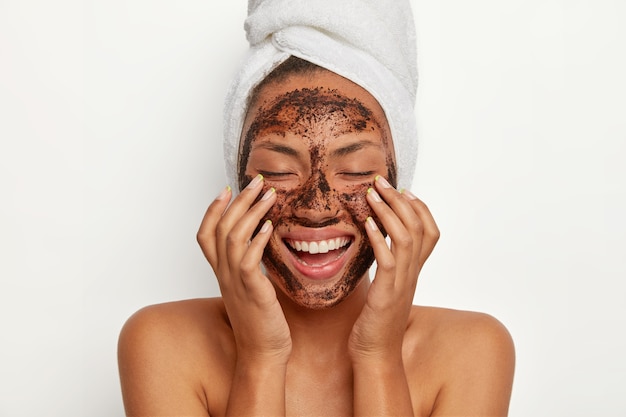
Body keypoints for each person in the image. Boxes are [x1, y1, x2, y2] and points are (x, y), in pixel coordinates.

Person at [118, 1, 515, 416]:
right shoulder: (163, 343)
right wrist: (261, 358)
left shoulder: (472, 351)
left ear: (401, 183)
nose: (316, 206)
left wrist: (378, 356)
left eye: (356, 168)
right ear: (238, 183)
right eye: (279, 169)